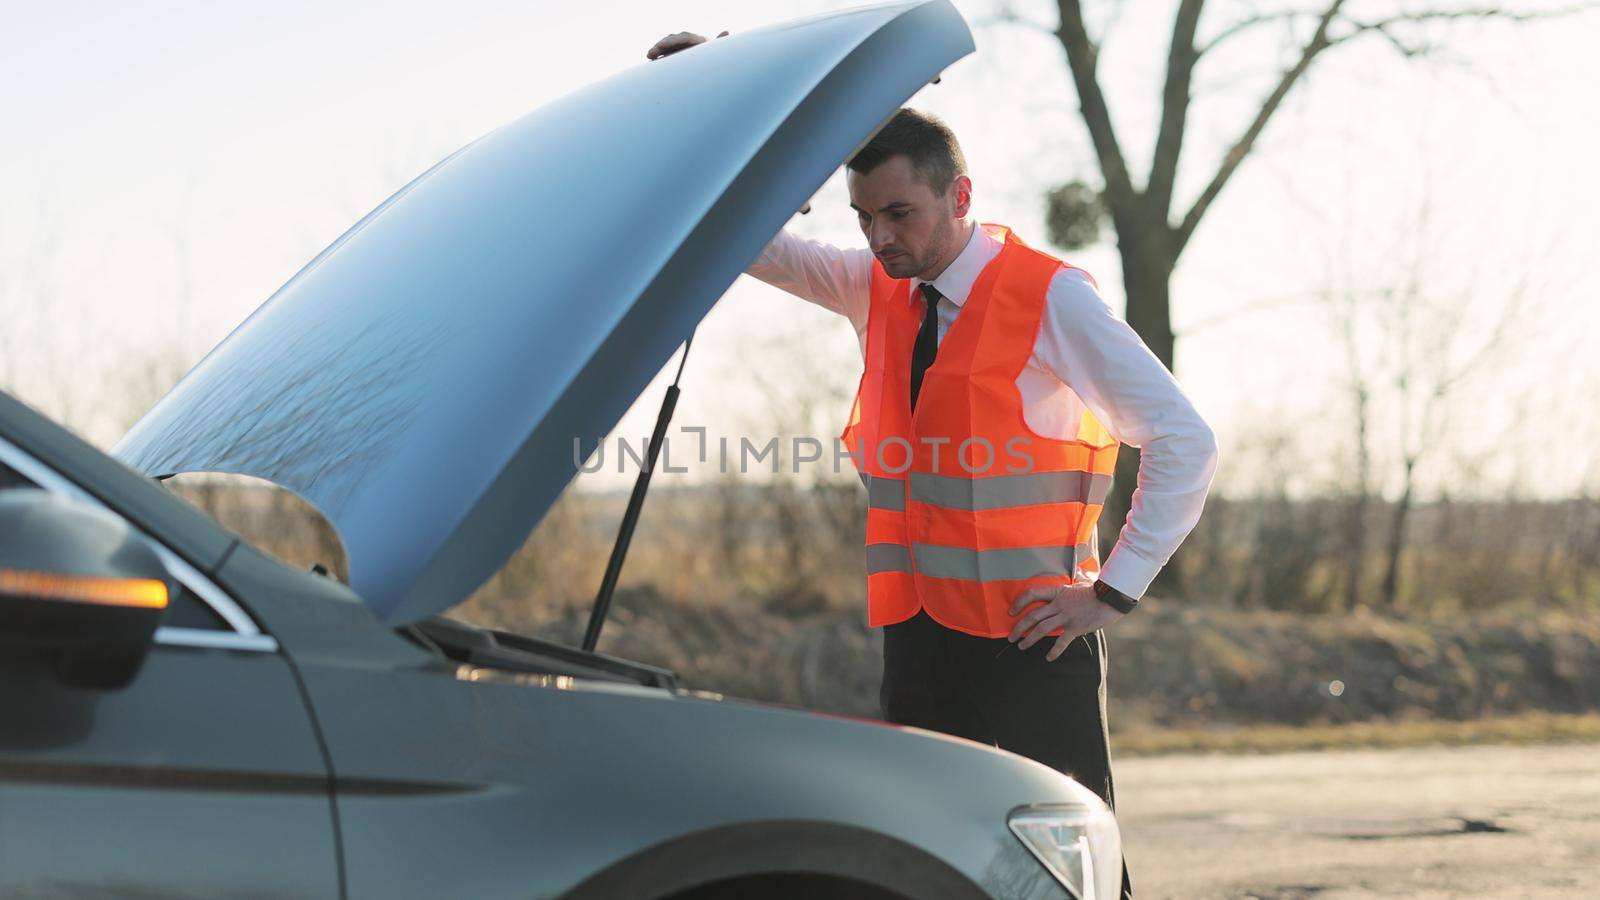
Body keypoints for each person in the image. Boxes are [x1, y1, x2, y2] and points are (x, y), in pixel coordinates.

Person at [649, 32, 1220, 899]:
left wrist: (1110, 592)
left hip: (1035, 637)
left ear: (958, 195)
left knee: (1063, 874)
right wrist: (718, 100)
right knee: (926, 862)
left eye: (899, 214)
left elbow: (1186, 440)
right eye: (863, 218)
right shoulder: (874, 286)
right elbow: (752, 241)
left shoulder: (1051, 297)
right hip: (918, 635)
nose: (880, 237)